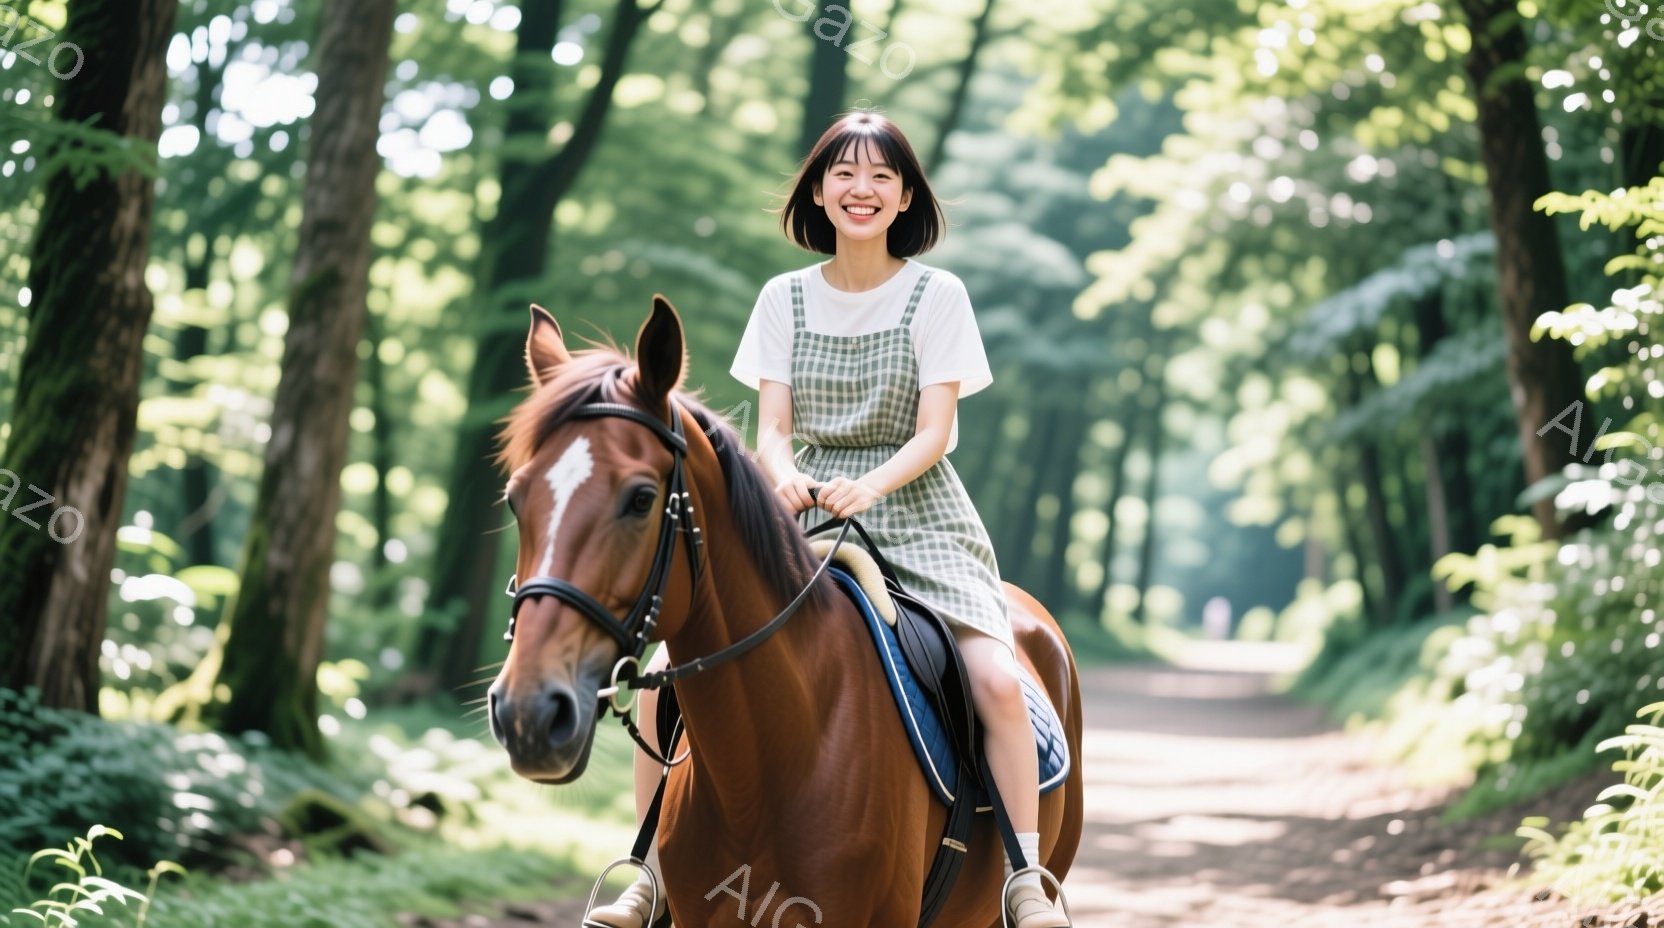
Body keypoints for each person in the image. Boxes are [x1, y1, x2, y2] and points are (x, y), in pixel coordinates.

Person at [584, 110, 1070, 928]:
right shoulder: (784, 298)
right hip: (798, 509)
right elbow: (771, 428)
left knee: (992, 677)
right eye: (844, 173)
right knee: (680, 671)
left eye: (882, 176)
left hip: (917, 512)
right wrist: (788, 479)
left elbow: (936, 432)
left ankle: (1025, 874)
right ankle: (650, 869)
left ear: (906, 194)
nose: (862, 189)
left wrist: (868, 488)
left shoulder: (936, 293)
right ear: (818, 188)